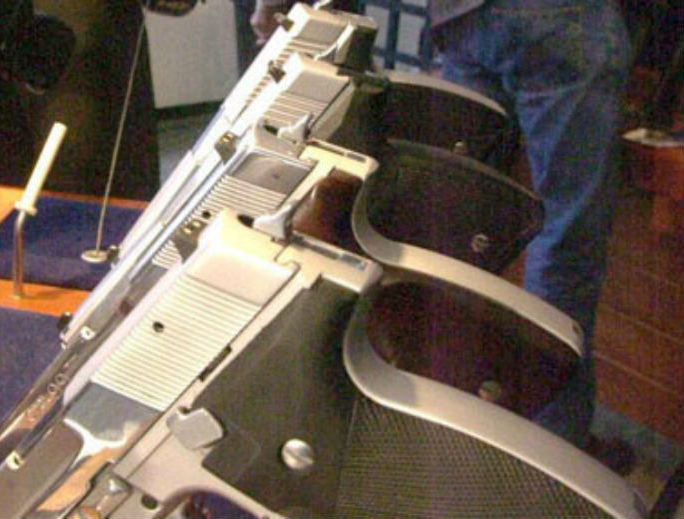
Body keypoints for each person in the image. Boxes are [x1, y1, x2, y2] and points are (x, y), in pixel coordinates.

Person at [251, 0, 633, 454]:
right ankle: (549, 446)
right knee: (564, 236)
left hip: (461, 15)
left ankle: (426, 422)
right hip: (561, 15)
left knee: (444, 232)